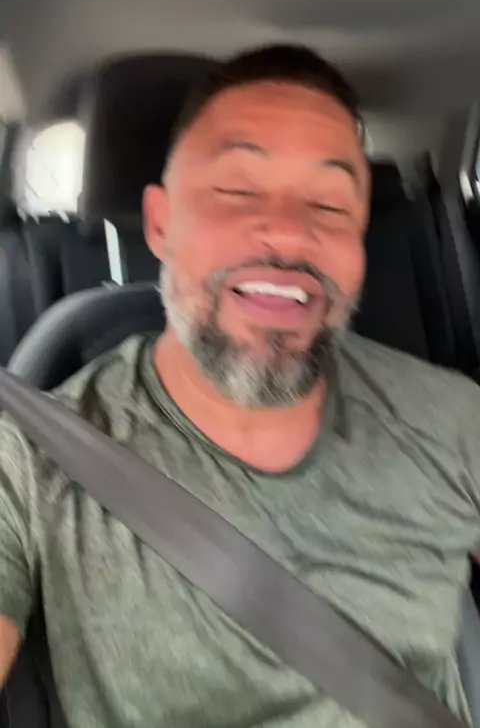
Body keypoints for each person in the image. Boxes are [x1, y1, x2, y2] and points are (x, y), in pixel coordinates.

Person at [0, 44, 479, 728]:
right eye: (236, 190)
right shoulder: (27, 461)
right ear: (160, 223)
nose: (288, 232)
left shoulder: (454, 421)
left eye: (329, 202)